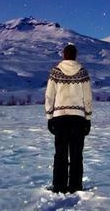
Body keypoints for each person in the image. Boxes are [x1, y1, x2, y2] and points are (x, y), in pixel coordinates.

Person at [44, 42, 92, 193]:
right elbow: (87, 97)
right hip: (78, 118)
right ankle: (75, 186)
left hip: (59, 117)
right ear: (75, 55)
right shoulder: (83, 72)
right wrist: (88, 117)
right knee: (77, 153)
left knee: (60, 153)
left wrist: (49, 116)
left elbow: (49, 95)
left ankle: (59, 186)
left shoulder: (55, 71)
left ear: (64, 55)